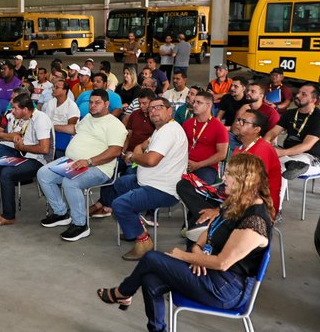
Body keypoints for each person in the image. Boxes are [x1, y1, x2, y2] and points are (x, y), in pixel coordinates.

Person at [97, 154, 274, 332]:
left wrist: (183, 255)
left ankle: (123, 292)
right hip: (211, 271)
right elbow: (209, 232)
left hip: (226, 289)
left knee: (151, 258)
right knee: (150, 279)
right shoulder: (236, 202)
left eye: (229, 174)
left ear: (245, 180)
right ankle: (155, 327)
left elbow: (222, 262)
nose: (223, 178)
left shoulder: (254, 221)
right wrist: (196, 252)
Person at [100, 97, 188, 260]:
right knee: (120, 183)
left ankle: (144, 241)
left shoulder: (169, 131)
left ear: (169, 111)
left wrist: (133, 157)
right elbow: (142, 145)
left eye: (159, 107)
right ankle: (136, 227)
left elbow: (151, 160)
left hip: (163, 189)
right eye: (151, 108)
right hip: (149, 181)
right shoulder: (160, 129)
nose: (153, 111)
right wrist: (138, 150)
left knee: (120, 204)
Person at [36, 89, 127, 242]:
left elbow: (115, 151)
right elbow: (73, 129)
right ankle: (61, 213)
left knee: (70, 182)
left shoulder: (114, 124)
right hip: (72, 162)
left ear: (106, 104)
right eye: (91, 102)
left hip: (97, 167)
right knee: (43, 174)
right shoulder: (88, 118)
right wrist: (53, 125)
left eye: (97, 103)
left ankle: (80, 224)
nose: (92, 106)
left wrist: (89, 161)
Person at [178, 109, 281, 240]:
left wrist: (218, 210)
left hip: (255, 206)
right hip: (234, 197)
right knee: (184, 186)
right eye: (238, 119)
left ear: (256, 129)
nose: (238, 123)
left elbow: (250, 191)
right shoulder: (239, 149)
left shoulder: (262, 150)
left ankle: (208, 227)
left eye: (243, 122)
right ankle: (207, 223)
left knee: (198, 220)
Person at [0, 93, 52, 226]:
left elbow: (44, 149)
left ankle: (8, 216)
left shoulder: (41, 119)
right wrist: (17, 139)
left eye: (15, 108)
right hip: (24, 155)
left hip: (39, 160)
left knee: (6, 174)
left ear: (25, 109)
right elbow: (15, 135)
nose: (12, 111)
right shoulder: (24, 118)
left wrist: (22, 145)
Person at [264, 82, 320, 180]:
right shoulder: (290, 113)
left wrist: (280, 153)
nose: (298, 95)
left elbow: (306, 145)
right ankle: (290, 163)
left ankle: (291, 166)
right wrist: (265, 142)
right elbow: (273, 132)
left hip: (311, 158)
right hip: (288, 154)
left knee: (277, 167)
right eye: (298, 92)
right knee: (262, 158)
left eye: (303, 94)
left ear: (313, 100)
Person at [183, 91, 229, 186]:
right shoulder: (188, 123)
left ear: (209, 105)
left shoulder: (219, 127)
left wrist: (197, 165)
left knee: (196, 189)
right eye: (194, 102)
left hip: (207, 167)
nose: (194, 105)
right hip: (185, 164)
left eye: (199, 103)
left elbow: (222, 154)